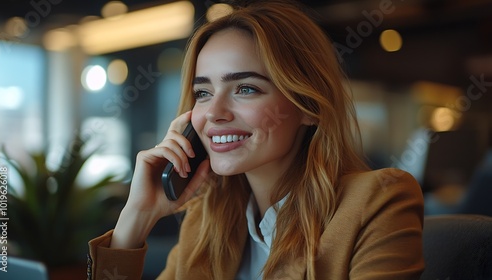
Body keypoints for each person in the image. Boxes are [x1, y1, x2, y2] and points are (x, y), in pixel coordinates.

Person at [88, 1, 425, 279]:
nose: (214, 113)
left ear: (308, 107)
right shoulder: (206, 222)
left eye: (245, 89)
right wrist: (138, 217)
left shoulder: (378, 202)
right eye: (202, 93)